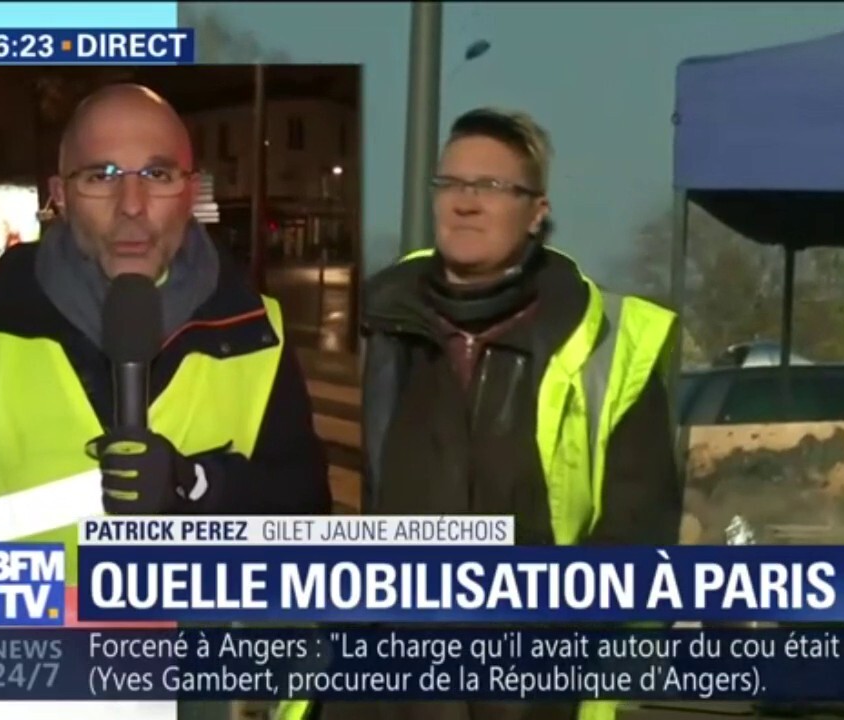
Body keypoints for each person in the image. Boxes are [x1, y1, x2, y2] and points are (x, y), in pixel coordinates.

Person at [274, 109, 681, 720]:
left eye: (491, 187)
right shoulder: (370, 326)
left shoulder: (612, 343)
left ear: (537, 210)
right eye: (452, 184)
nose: (466, 203)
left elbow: (637, 540)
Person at [0, 84, 330, 586]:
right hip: (19, 657)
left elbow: (305, 528)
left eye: (157, 174)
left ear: (190, 193)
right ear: (61, 196)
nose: (131, 204)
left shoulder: (258, 333)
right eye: (100, 175)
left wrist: (198, 487)